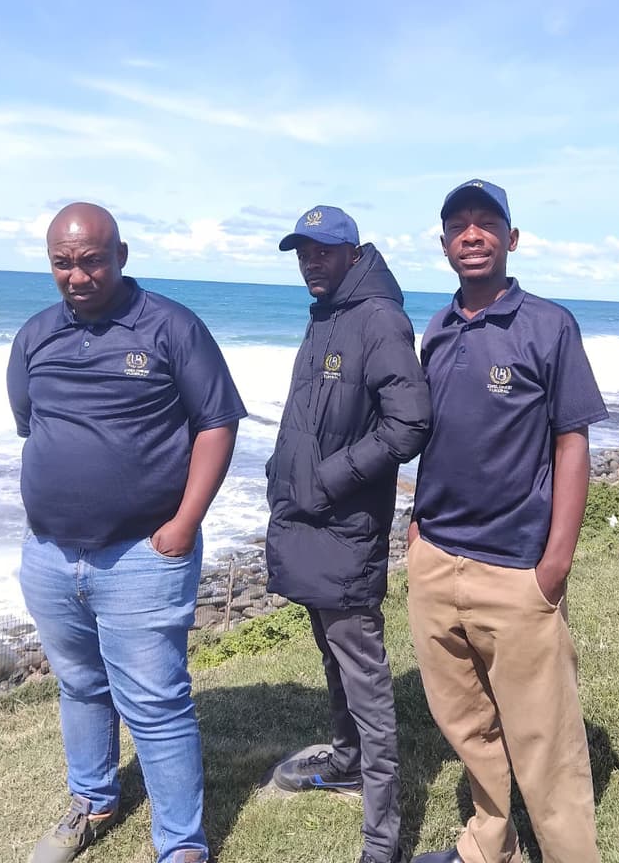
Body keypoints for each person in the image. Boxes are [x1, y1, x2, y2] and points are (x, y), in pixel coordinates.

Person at [7, 203, 246, 863]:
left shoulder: (171, 327)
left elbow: (217, 422)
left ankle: (181, 846)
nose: (77, 275)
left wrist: (184, 524)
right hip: (51, 553)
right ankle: (92, 801)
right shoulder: (35, 336)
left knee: (157, 704)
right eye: (63, 262)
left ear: (121, 255)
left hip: (143, 554)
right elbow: (32, 423)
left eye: (91, 260)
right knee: (80, 686)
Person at [407, 179, 608, 863]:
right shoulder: (437, 329)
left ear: (511, 238)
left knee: (546, 745)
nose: (472, 234)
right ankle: (490, 845)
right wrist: (417, 526)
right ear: (443, 244)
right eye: (458, 225)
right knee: (468, 727)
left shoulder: (549, 326)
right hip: (437, 560)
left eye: (486, 222)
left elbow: (572, 441)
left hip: (516, 570)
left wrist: (555, 563)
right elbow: (436, 436)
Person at [266, 205, 431, 863]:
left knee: (366, 681)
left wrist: (328, 478)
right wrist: (283, 474)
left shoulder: (378, 319)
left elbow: (408, 424)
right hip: (309, 522)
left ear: (353, 253)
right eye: (303, 251)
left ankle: (382, 839)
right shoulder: (327, 314)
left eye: (324, 250)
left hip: (345, 529)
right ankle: (344, 761)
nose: (311, 261)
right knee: (332, 658)